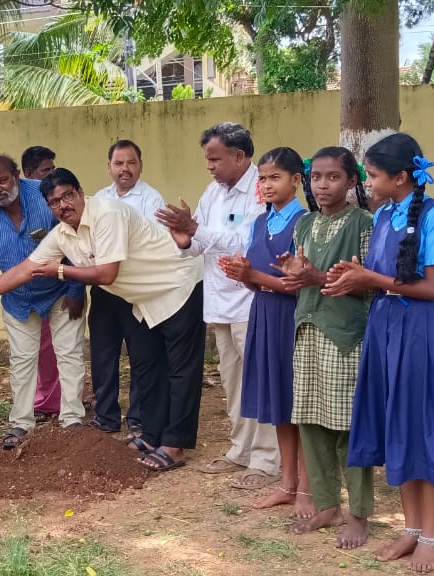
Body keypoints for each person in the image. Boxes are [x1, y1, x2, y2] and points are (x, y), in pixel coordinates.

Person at [0, 168, 204, 471]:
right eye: (55, 201)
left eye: (68, 195)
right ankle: (152, 435)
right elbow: (25, 269)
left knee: (181, 371)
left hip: (178, 285)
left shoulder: (107, 213)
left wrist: (61, 271)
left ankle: (175, 445)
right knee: (149, 367)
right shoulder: (63, 234)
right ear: (49, 207)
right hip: (144, 300)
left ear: (80, 193)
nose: (64, 205)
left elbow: (106, 274)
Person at [324, 133, 434, 573]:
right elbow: (376, 276)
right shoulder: (384, 216)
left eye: (374, 176)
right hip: (386, 330)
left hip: (422, 334)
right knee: (399, 425)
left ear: (401, 177)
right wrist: (350, 278)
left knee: (425, 427)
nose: (368, 183)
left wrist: (370, 281)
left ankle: (433, 536)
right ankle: (412, 530)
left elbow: (432, 288)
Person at [158, 122, 276, 489]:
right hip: (220, 303)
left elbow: (249, 243)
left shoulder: (263, 189)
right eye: (207, 159)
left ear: (239, 156)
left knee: (260, 381)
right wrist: (183, 240)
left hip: (253, 301)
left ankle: (267, 458)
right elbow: (200, 243)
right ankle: (240, 450)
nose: (209, 166)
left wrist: (197, 231)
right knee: (233, 381)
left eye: (215, 159)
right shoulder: (213, 192)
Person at [0, 155, 87, 448]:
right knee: (21, 361)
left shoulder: (42, 195)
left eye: (2, 180)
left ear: (17, 175)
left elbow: (73, 239)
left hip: (60, 291)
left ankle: (72, 420)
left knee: (69, 354)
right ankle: (21, 424)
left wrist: (75, 290)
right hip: (18, 299)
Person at [277, 148, 376, 548]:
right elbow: (298, 281)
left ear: (352, 182)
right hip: (308, 332)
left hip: (347, 337)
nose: (322, 184)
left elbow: (373, 283)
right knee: (311, 422)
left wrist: (317, 277)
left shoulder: (364, 223)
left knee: (350, 428)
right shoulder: (304, 225)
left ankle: (360, 515)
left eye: (333, 177)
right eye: (315, 176)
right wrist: (291, 275)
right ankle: (327, 505)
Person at [216, 147, 311, 515]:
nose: (268, 185)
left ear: (295, 180)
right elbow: (261, 280)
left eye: (275, 178)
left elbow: (302, 283)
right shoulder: (260, 222)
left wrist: (254, 276)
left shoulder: (304, 223)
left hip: (293, 319)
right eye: (263, 178)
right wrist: (243, 275)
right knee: (278, 404)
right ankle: (287, 483)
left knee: (298, 403)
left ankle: (307, 486)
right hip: (264, 314)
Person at [89, 139, 167, 434]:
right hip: (105, 290)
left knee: (142, 355)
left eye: (131, 162)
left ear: (140, 166)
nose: (125, 169)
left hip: (136, 290)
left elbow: (152, 244)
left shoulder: (151, 200)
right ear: (109, 167)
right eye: (119, 163)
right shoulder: (99, 199)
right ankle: (106, 416)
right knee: (103, 354)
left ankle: (138, 418)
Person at [21, 145, 65, 422]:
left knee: (59, 350)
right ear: (28, 174)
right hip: (26, 291)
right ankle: (44, 401)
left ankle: (56, 403)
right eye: (46, 171)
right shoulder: (26, 202)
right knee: (36, 351)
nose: (52, 176)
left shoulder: (56, 203)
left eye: (53, 169)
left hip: (56, 288)